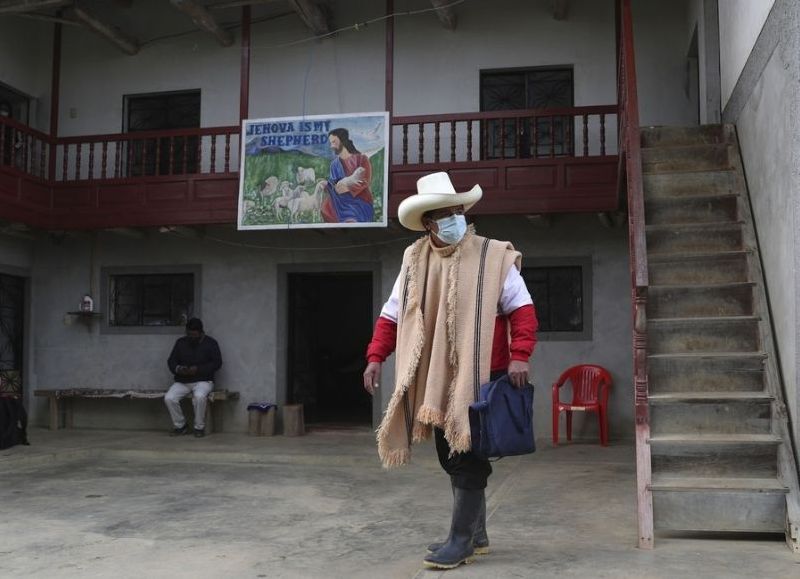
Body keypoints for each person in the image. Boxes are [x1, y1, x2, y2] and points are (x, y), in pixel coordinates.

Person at [363, 171, 538, 570]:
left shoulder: (494, 256)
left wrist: (520, 354)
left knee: (467, 456)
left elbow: (522, 309)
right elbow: (393, 315)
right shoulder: (414, 259)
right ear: (429, 222)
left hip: (483, 375)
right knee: (451, 455)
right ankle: (475, 536)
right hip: (434, 378)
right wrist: (376, 356)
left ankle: (460, 541)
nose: (456, 217)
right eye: (447, 213)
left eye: (459, 210)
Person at [165, 317, 223, 438]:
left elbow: (217, 363)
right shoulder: (180, 342)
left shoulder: (211, 343)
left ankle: (199, 427)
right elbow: (171, 361)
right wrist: (179, 369)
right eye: (189, 334)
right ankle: (181, 426)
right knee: (169, 398)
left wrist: (198, 369)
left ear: (201, 332)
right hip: (183, 380)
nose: (191, 337)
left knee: (199, 397)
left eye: (194, 335)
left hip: (204, 380)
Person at [321, 127, 374, 223]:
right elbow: (334, 183)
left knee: (352, 216)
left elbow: (365, 180)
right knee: (325, 208)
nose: (331, 146)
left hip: (358, 200)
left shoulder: (361, 159)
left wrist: (348, 188)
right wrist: (326, 185)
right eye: (331, 143)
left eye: (334, 142)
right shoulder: (334, 164)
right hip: (339, 200)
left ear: (342, 141)